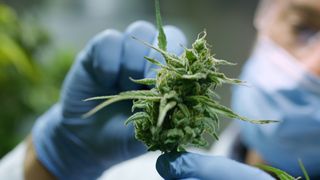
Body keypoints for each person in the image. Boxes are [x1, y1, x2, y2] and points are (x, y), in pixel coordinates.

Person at [0, 0, 319, 179]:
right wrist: (47, 165)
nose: (312, 67)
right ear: (265, 17)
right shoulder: (134, 175)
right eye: (304, 28)